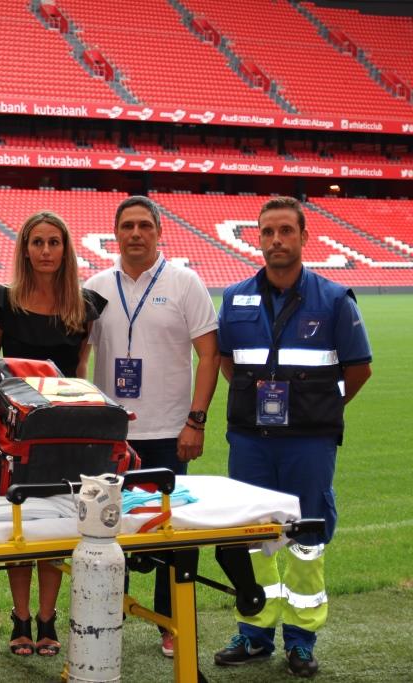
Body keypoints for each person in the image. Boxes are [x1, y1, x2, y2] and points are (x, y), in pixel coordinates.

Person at [214, 197, 371, 678]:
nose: (276, 240)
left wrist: (317, 411)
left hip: (309, 442)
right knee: (252, 533)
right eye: (267, 232)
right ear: (257, 238)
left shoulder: (334, 298)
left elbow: (358, 369)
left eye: (285, 230)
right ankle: (254, 631)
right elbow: (227, 363)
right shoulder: (235, 297)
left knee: (306, 538)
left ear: (305, 237)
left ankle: (301, 640)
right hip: (251, 439)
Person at [83, 195, 219, 658]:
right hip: (111, 435)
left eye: (144, 225)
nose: (136, 234)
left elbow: (210, 354)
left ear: (159, 231)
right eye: (127, 227)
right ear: (115, 233)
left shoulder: (185, 283)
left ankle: (172, 621)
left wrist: (195, 422)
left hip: (168, 430)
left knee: (172, 529)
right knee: (104, 527)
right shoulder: (97, 286)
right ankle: (107, 613)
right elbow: (81, 354)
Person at [0, 210, 106, 658]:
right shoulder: (1, 301)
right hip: (17, 431)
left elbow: (80, 371)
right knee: (21, 526)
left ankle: (47, 619)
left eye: (54, 242)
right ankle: (20, 617)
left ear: (66, 249)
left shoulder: (83, 305)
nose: (46, 251)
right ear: (25, 248)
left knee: (53, 526)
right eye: (37, 242)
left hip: (66, 431)